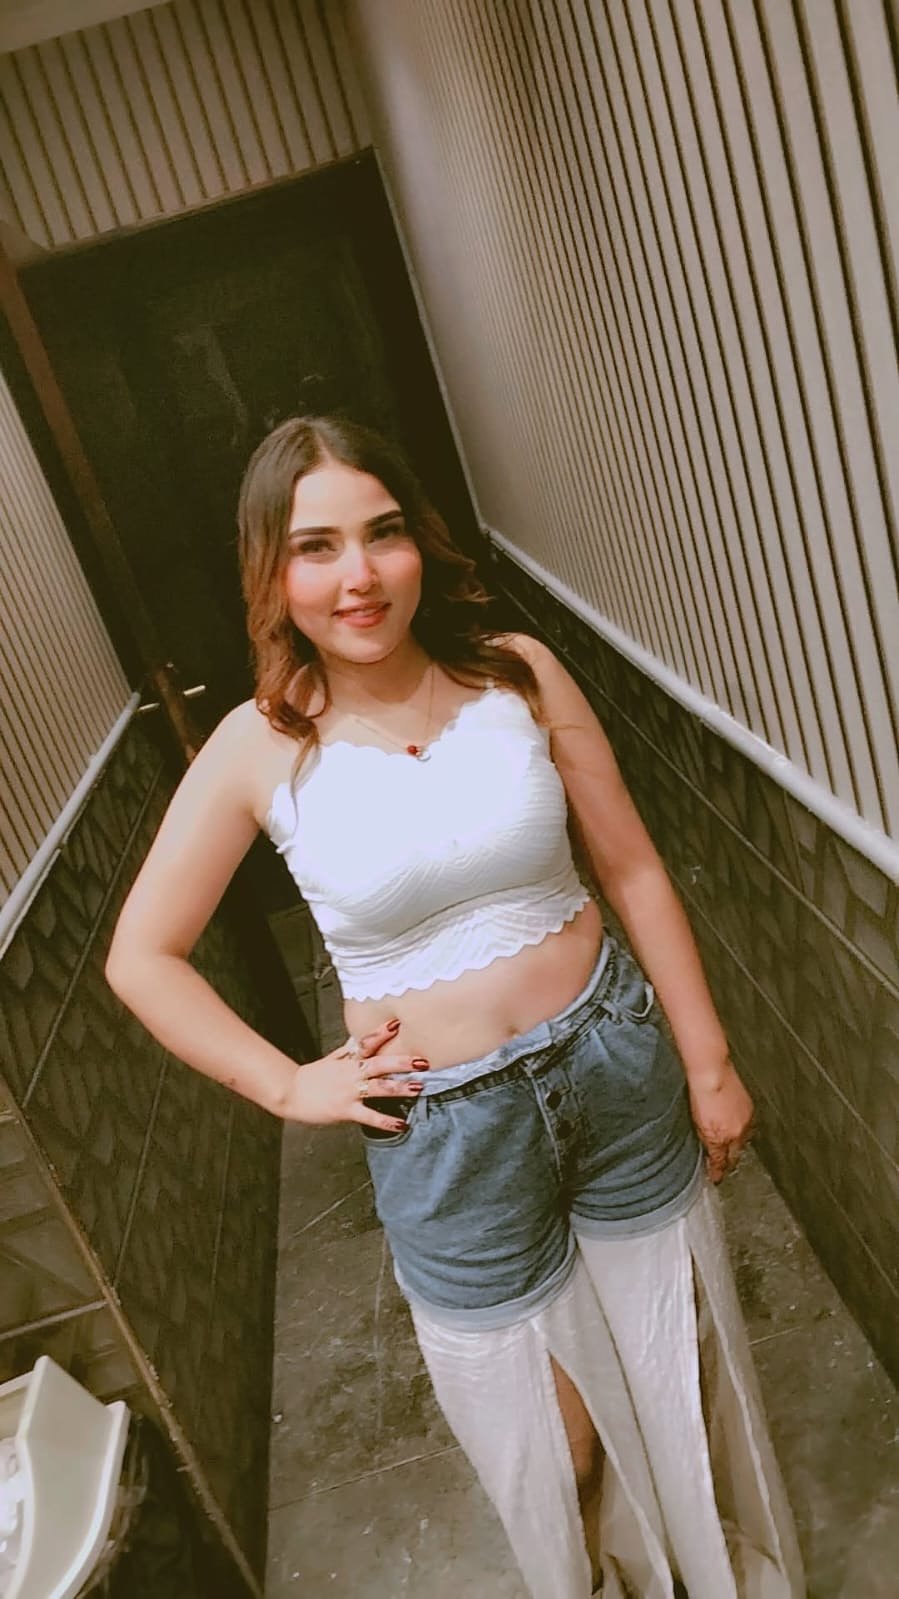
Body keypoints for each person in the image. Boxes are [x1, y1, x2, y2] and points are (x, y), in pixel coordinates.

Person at [106, 416, 804, 1599]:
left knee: (671, 1366)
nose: (359, 575)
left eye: (381, 533)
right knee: (550, 1440)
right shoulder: (256, 745)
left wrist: (707, 1060)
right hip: (448, 1132)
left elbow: (630, 867)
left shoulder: (514, 673)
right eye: (316, 546)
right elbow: (141, 956)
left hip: (613, 1063)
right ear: (271, 572)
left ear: (418, 541)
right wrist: (287, 1084)